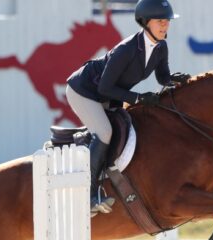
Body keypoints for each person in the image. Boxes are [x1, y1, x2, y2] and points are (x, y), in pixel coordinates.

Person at [66, 0, 190, 215]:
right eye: (160, 21)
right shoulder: (126, 49)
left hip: (108, 93)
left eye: (167, 21)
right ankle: (88, 195)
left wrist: (172, 79)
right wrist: (138, 98)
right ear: (145, 22)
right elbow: (105, 88)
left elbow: (161, 76)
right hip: (84, 91)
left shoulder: (161, 46)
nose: (165, 26)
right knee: (105, 132)